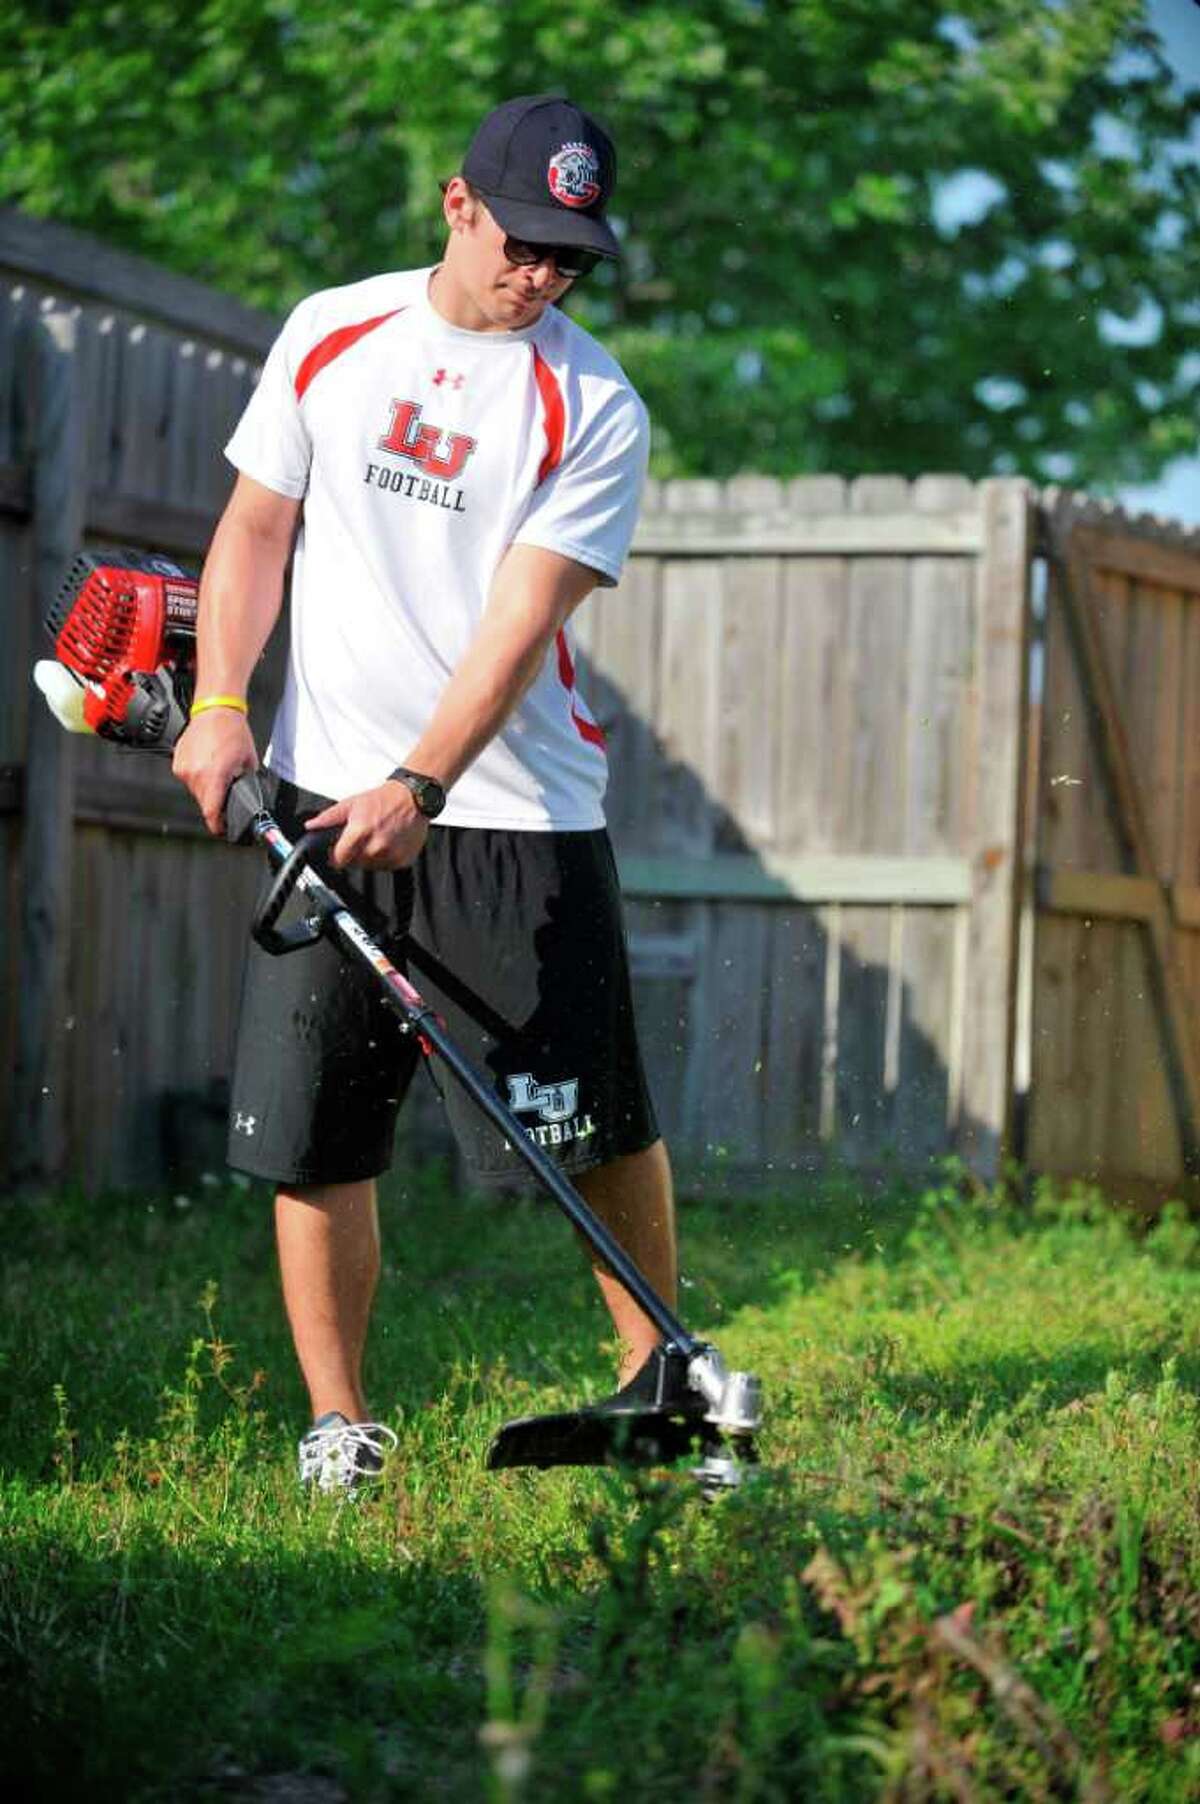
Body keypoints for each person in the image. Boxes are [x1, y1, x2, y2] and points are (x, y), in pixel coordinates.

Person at [173, 94, 678, 1494]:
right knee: (314, 1127)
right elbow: (254, 530)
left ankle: (660, 1390)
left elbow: (521, 621)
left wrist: (425, 778)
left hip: (512, 811)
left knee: (591, 1124)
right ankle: (340, 1426)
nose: (545, 275)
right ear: (458, 205)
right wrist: (221, 704)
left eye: (573, 257)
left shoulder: (596, 403)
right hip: (324, 802)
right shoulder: (334, 329)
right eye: (525, 242)